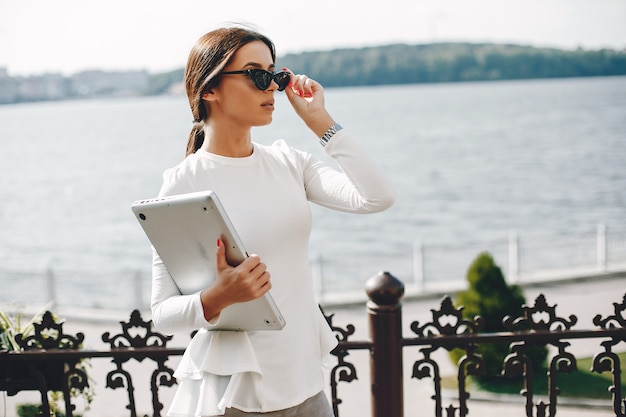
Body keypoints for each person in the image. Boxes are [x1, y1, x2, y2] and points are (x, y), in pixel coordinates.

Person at [150, 25, 395, 417]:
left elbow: (376, 197)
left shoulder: (289, 162)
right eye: (257, 74)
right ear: (209, 88)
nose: (272, 88)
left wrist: (321, 123)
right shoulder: (184, 182)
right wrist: (218, 297)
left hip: (306, 388)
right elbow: (162, 313)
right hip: (236, 395)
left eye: (276, 75)